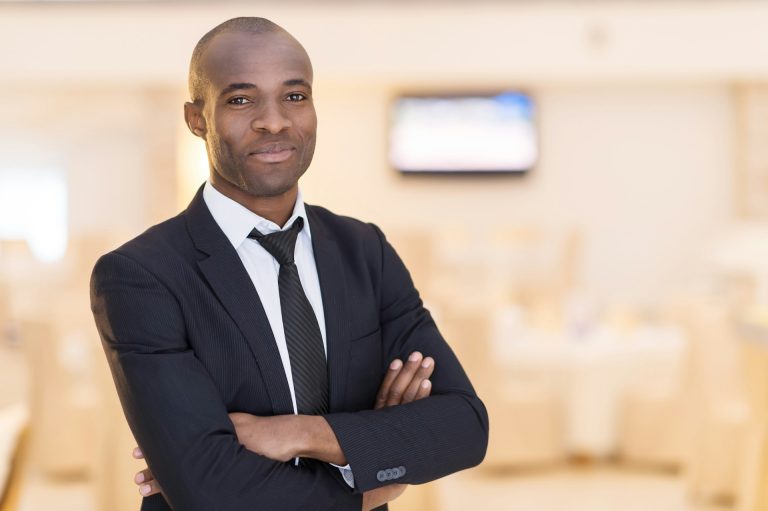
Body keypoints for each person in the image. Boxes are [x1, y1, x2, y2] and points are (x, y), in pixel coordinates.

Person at [90, 16, 488, 511]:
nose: (274, 121)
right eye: (240, 100)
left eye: (294, 96)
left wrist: (305, 434)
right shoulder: (141, 276)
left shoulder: (365, 250)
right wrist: (369, 482)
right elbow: (206, 489)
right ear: (197, 119)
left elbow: (465, 427)